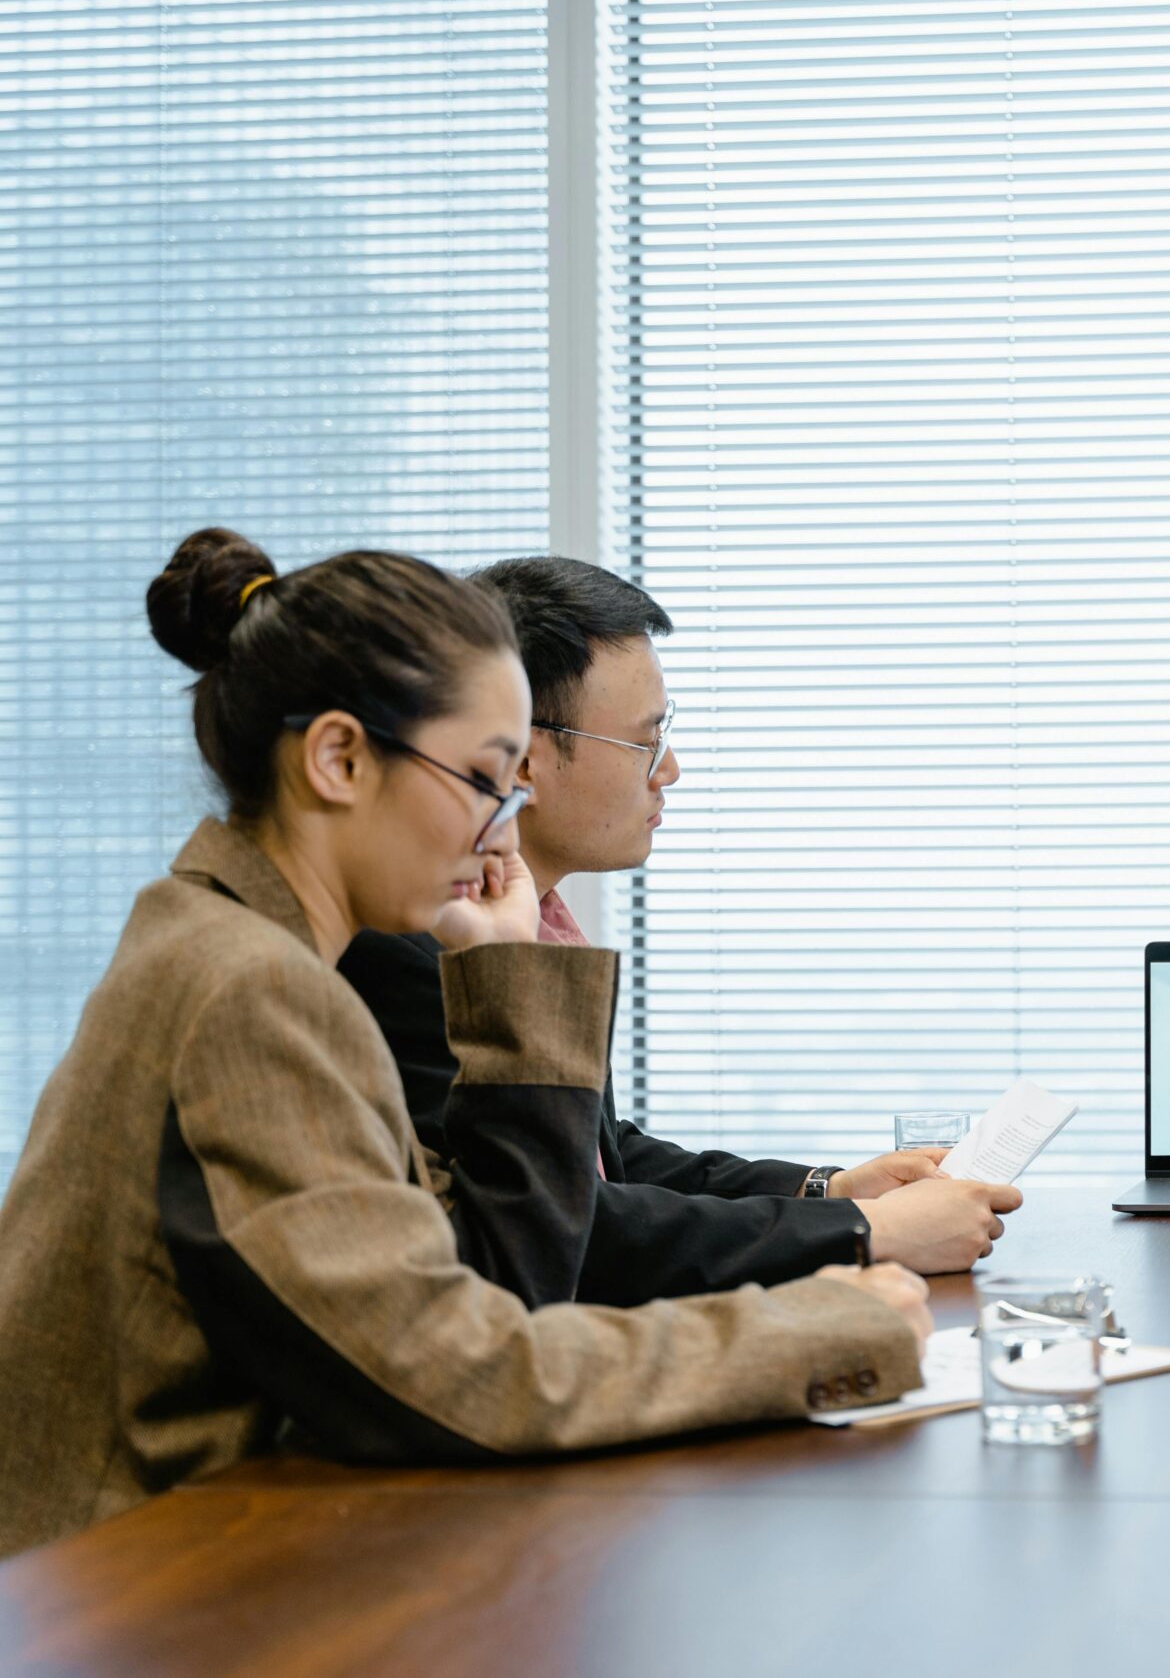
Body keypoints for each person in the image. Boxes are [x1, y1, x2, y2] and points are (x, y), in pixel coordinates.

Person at [0, 531, 932, 1561]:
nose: (502, 832)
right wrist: (819, 1328)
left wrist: (506, 980)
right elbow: (461, 1370)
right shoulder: (250, 989)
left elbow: (498, 1289)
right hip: (129, 1599)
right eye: (487, 781)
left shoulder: (221, 941)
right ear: (339, 759)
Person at [338, 557, 1017, 1303]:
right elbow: (568, 1229)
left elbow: (604, 1159)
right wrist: (866, 1229)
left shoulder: (527, 919)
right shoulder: (411, 950)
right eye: (646, 742)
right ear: (524, 758)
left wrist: (827, 1188)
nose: (671, 770)